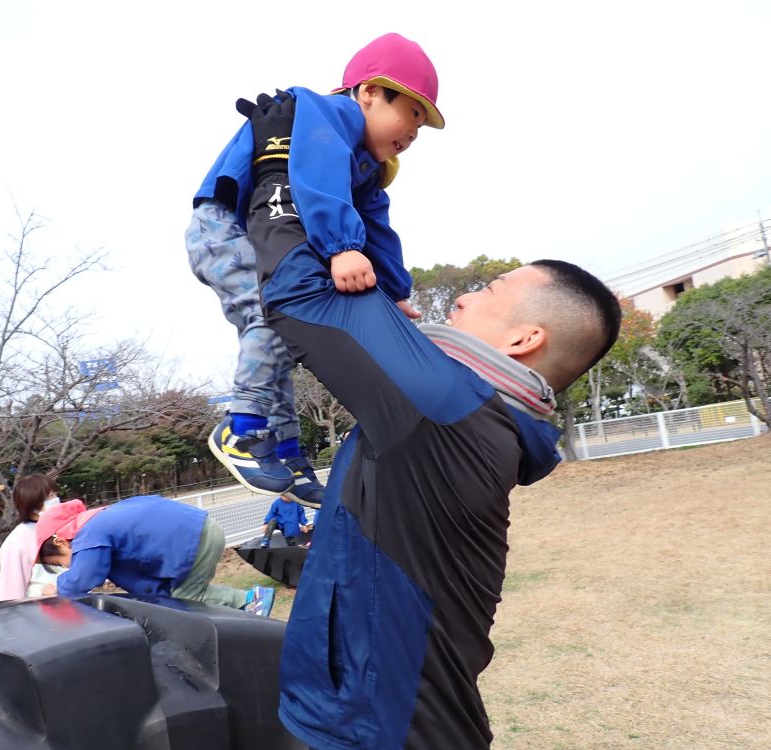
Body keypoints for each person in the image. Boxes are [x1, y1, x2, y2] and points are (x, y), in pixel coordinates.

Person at [239, 93, 623, 749]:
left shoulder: (448, 406)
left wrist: (276, 167)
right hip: (387, 723)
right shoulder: (479, 421)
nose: (466, 296)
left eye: (489, 291)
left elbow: (301, 294)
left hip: (382, 733)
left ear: (524, 340)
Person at [187, 32, 444, 509]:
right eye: (412, 113)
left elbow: (378, 227)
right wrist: (341, 247)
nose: (414, 132)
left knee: (283, 339)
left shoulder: (366, 167)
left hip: (257, 235)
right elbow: (317, 173)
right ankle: (241, 428)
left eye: (422, 126)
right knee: (271, 317)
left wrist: (396, 290)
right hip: (226, 227)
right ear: (370, 92)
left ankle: (285, 452)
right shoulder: (327, 113)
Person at [35, 498, 275, 617]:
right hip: (197, 531)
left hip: (195, 538)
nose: (66, 567)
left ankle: (251, 599)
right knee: (177, 598)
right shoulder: (100, 521)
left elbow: (84, 578)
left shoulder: (89, 533)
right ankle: (246, 603)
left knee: (186, 600)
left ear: (61, 541)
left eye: (59, 563)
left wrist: (58, 587)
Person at [0, 473, 63, 601]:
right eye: (49, 497)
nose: (56, 500)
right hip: (40, 612)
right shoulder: (18, 542)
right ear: (32, 506)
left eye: (55, 495)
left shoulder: (60, 530)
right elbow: (10, 597)